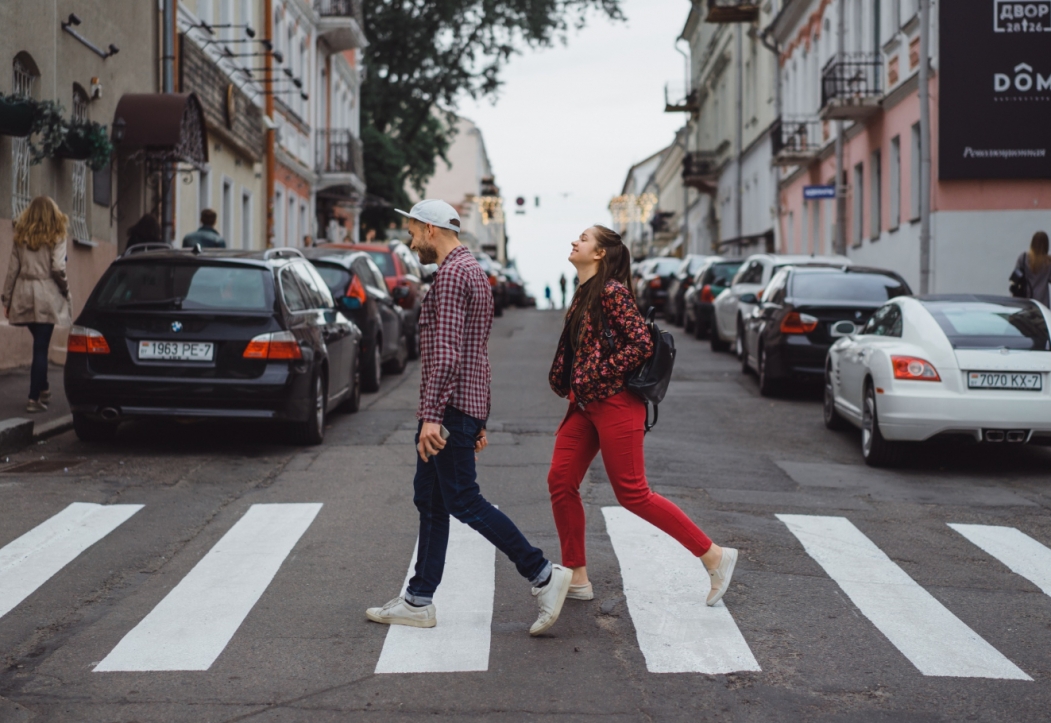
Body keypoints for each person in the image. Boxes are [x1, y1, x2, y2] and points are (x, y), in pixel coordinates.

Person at [365, 199, 571, 636]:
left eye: (413, 232)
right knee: (431, 499)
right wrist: (478, 418)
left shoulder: (451, 275)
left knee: (462, 500)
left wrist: (432, 417)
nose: (410, 240)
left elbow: (447, 354)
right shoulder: (474, 271)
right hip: (462, 407)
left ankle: (543, 575)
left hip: (448, 409)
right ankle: (419, 600)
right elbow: (477, 354)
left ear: (429, 228)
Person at [546, 225, 738, 606]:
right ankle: (578, 575)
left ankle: (714, 555)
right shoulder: (583, 293)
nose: (574, 242)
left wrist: (596, 373)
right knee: (560, 480)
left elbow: (642, 344)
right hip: (585, 405)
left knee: (633, 493)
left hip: (617, 403)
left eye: (583, 239)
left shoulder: (612, 292)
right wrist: (573, 378)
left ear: (600, 253)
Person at [2, 196, 72, 413]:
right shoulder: (57, 236)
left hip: (23, 293)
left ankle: (44, 388)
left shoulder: (20, 236)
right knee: (41, 347)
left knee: (39, 343)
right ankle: (34, 398)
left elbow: (12, 269)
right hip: (46, 294)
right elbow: (58, 268)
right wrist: (66, 290)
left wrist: (6, 297)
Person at [1012, 231, 1051, 306]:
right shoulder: (1048, 263)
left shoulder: (1023, 258)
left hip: (1024, 301)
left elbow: (1014, 279)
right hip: (1041, 304)